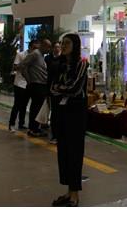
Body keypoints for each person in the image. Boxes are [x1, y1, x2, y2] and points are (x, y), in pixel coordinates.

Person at [50, 33, 89, 207]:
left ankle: (75, 194)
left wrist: (59, 88)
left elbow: (74, 88)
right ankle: (68, 191)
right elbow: (52, 87)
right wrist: (60, 88)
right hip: (61, 112)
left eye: (67, 43)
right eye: (62, 43)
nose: (63, 46)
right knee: (63, 152)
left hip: (76, 113)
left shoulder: (82, 64)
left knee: (74, 152)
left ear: (75, 45)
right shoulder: (60, 65)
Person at [20, 39, 49, 136]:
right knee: (36, 108)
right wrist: (29, 80)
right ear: (43, 46)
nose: (49, 49)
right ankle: (33, 129)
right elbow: (22, 65)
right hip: (36, 85)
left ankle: (35, 127)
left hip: (41, 85)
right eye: (48, 47)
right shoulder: (35, 54)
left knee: (37, 107)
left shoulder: (41, 55)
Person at [8, 44, 31, 131]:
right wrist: (24, 63)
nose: (35, 50)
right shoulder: (21, 54)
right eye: (34, 48)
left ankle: (21, 123)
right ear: (30, 47)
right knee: (17, 105)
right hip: (19, 83)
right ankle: (11, 124)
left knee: (24, 105)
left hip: (28, 84)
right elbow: (15, 67)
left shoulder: (35, 56)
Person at [45, 41, 62, 144]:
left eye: (59, 47)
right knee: (55, 113)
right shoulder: (49, 59)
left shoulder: (63, 60)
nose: (57, 48)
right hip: (54, 91)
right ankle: (54, 135)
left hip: (60, 91)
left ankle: (57, 134)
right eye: (55, 47)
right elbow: (49, 77)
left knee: (57, 113)